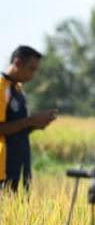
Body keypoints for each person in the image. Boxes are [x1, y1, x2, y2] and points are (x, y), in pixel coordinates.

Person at [1, 46, 57, 192]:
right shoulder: (1, 88)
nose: (32, 75)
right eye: (30, 69)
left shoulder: (19, 90)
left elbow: (18, 129)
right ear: (17, 63)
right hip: (3, 167)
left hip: (20, 164)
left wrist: (37, 123)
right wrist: (31, 120)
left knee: (19, 210)